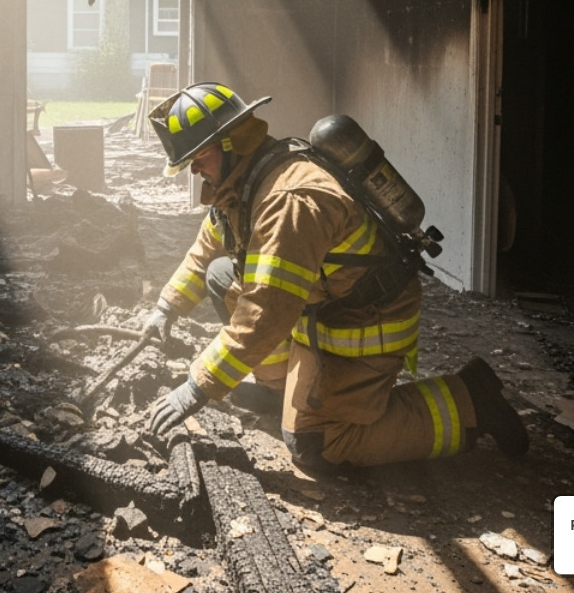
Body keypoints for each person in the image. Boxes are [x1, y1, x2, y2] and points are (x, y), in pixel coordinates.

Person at [140, 82, 528, 474]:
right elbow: (208, 246)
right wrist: (166, 308)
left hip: (364, 322)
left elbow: (265, 314)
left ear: (230, 143)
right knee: (223, 275)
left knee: (316, 445)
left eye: (198, 155)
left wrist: (197, 387)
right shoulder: (243, 184)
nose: (193, 169)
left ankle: (470, 400)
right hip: (324, 304)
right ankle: (283, 392)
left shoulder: (287, 202)